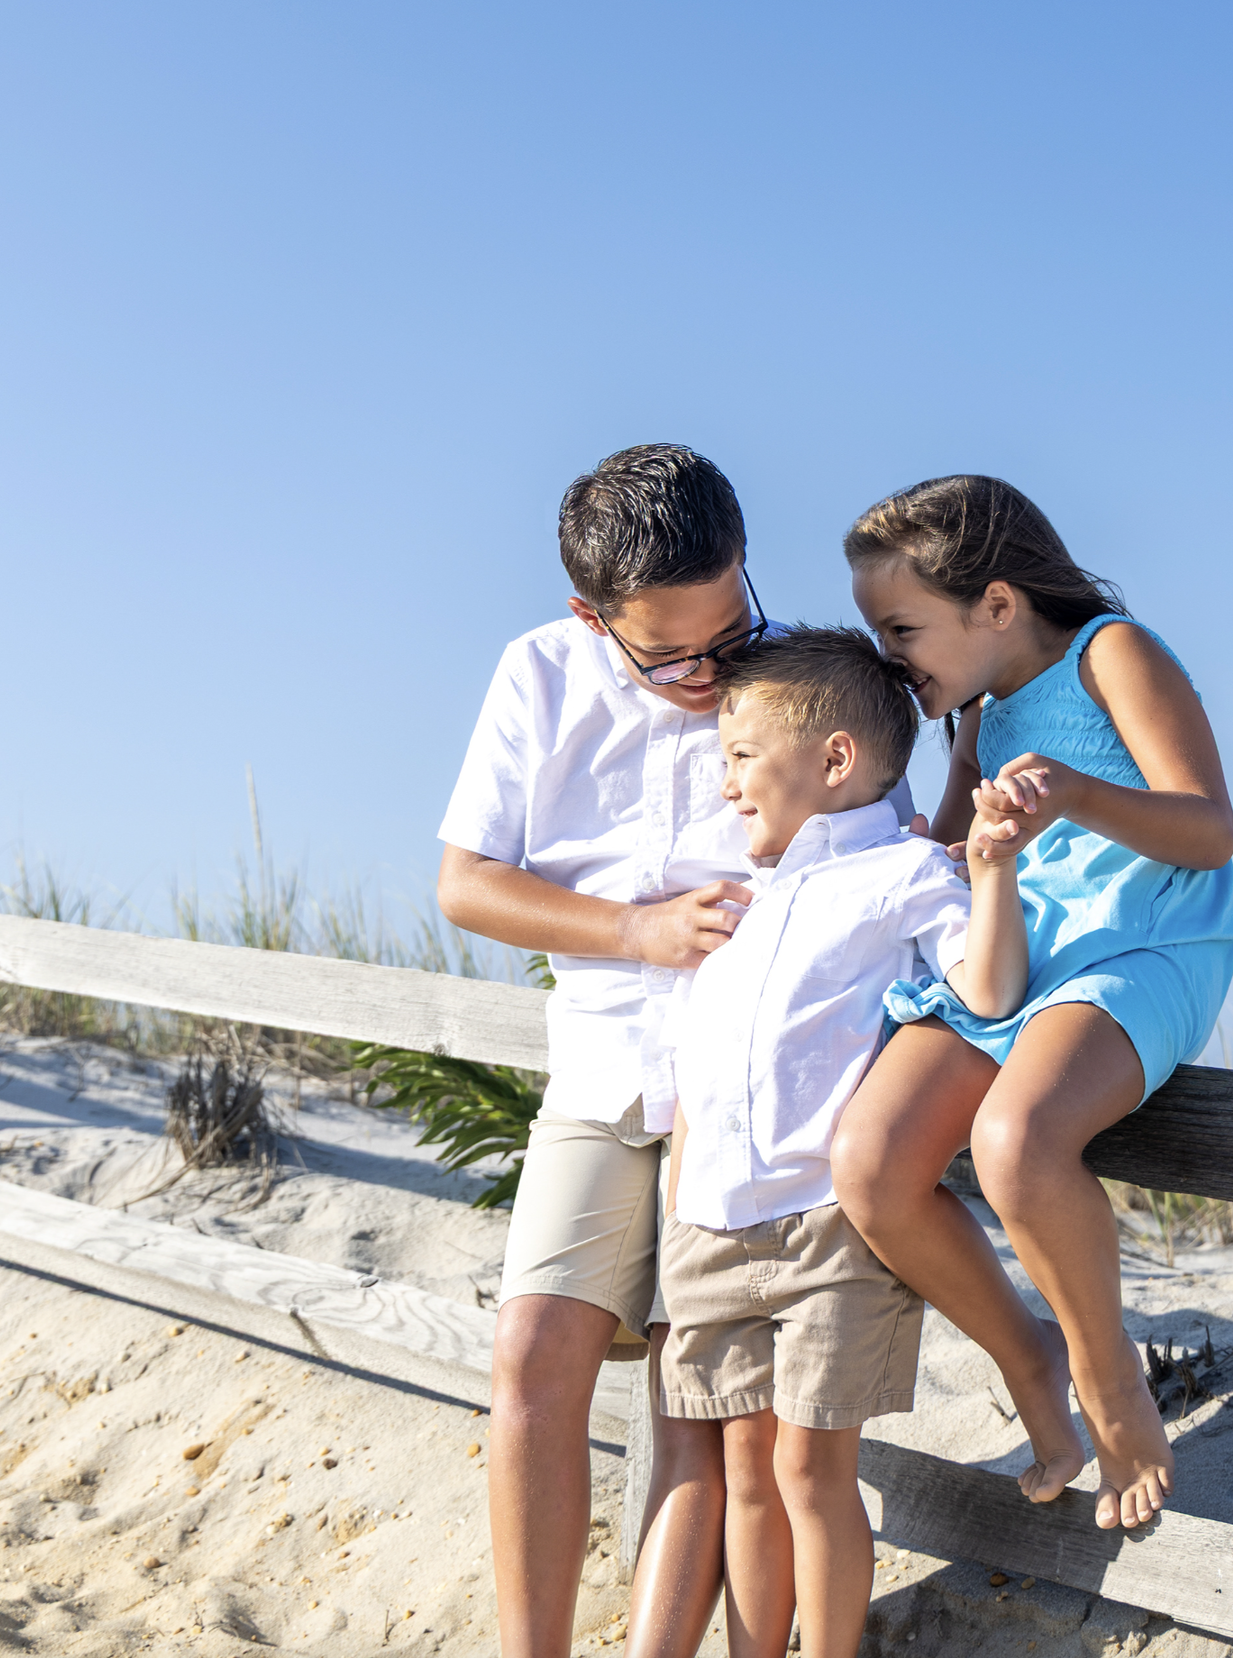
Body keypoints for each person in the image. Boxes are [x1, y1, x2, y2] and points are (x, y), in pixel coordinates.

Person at [437, 444, 918, 1655]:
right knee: (531, 1354)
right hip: (602, 1065)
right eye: (669, 653)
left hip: (755, 1099)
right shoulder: (536, 676)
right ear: (588, 617)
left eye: (728, 627)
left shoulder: (798, 689)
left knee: (697, 1410)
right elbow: (466, 882)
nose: (710, 674)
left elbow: (889, 853)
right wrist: (635, 931)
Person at [832, 474, 1233, 1532]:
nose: (889, 654)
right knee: (868, 1161)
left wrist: (1073, 791)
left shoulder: (1114, 650)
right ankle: (1031, 1353)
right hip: (1013, 958)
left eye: (902, 627)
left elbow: (1208, 829)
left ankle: (1109, 1383)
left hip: (1141, 943)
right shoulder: (975, 710)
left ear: (998, 605)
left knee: (1015, 1138)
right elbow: (946, 852)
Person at [644, 626, 1030, 1658]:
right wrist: (681, 1206)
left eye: (738, 755)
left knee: (812, 1471)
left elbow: (988, 989)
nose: (724, 783)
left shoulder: (902, 875)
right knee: (745, 1474)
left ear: (833, 761)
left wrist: (988, 868)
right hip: (711, 1228)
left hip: (822, 1231)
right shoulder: (750, 903)